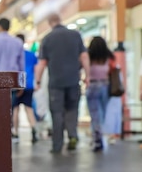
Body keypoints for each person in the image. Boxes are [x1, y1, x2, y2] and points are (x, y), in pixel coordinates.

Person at [35, 14, 90, 154]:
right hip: (73, 80)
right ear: (61, 21)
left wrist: (37, 81)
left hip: (56, 83)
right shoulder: (75, 35)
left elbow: (42, 63)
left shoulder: (47, 38)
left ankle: (57, 145)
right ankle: (72, 136)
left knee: (57, 112)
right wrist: (88, 76)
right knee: (72, 109)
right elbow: (84, 56)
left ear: (50, 23)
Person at [85, 36, 113, 152]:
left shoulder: (88, 57)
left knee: (94, 113)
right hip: (105, 86)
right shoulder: (108, 57)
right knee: (102, 112)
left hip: (92, 86)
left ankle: (97, 137)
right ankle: (99, 134)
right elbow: (113, 69)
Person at [12, 34, 39, 144]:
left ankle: (16, 133)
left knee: (15, 109)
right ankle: (33, 130)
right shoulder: (31, 55)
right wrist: (37, 82)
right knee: (29, 108)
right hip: (29, 85)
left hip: (17, 85)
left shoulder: (14, 55)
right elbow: (36, 69)